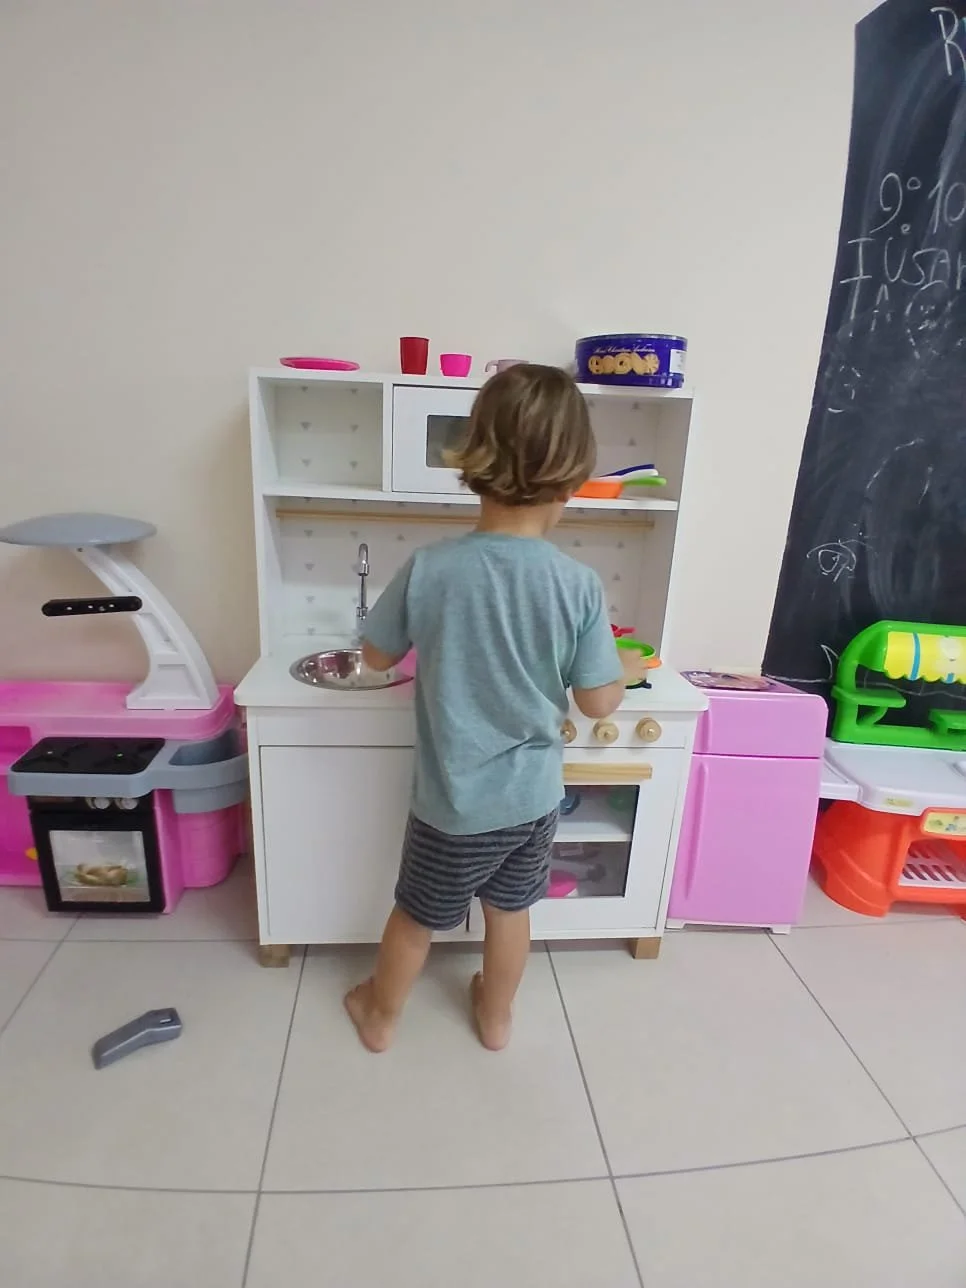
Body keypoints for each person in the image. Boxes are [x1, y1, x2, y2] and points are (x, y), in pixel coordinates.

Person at [344, 363, 647, 1053]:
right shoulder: (578, 584)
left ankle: (380, 1016)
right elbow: (598, 701)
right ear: (572, 481)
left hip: (453, 806)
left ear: (472, 463)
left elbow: (377, 657)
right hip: (533, 798)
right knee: (511, 912)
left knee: (417, 916)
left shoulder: (431, 568)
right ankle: (497, 1017)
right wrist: (624, 671)